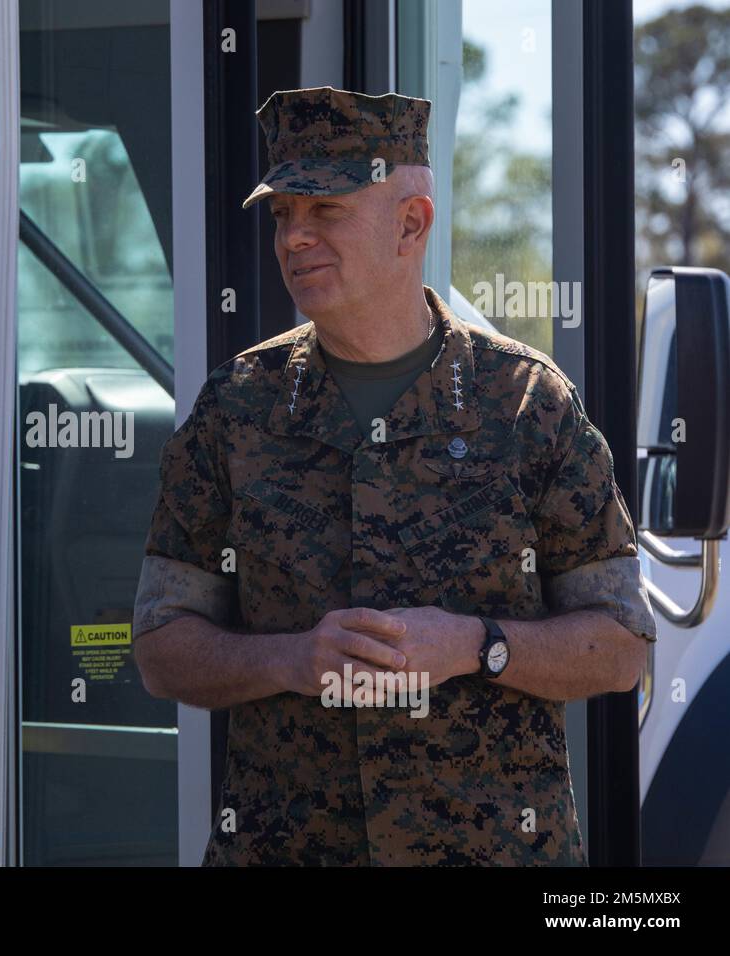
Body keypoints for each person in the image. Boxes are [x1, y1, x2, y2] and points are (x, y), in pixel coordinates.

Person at [132, 86, 657, 865]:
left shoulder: (524, 404)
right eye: (283, 214)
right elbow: (159, 644)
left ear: (412, 222)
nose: (294, 238)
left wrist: (478, 646)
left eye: (326, 211)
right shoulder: (237, 407)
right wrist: (288, 660)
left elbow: (622, 645)